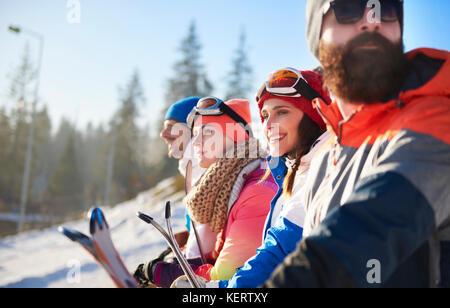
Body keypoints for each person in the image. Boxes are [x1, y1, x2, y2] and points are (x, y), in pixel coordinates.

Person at [263, 0, 450, 288]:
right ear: (316, 34)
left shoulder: (436, 118)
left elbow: (373, 225)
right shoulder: (328, 158)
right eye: (348, 8)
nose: (372, 20)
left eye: (386, 9)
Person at [205, 68, 331, 288]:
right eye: (264, 115)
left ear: (315, 114)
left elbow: (279, 253)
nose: (268, 124)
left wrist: (220, 288)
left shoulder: (324, 171)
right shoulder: (294, 171)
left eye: (282, 112)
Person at [141, 97, 277, 288]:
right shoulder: (227, 187)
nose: (195, 142)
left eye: (207, 133)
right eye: (195, 134)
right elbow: (218, 253)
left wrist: (161, 272)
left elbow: (224, 274)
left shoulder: (257, 191)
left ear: (236, 137)